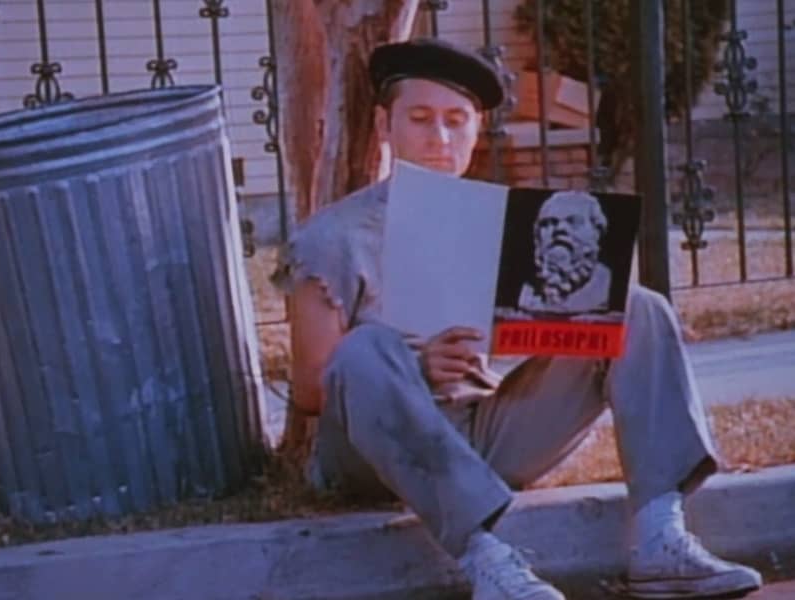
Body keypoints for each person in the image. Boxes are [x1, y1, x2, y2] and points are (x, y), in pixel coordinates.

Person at [271, 37, 762, 600]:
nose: (440, 138)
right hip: (373, 454)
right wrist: (418, 365)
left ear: (477, 131)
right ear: (386, 126)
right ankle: (487, 562)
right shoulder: (333, 236)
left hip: (486, 429)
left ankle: (658, 534)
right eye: (420, 119)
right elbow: (311, 389)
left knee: (636, 307)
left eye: (457, 121)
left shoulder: (504, 224)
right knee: (365, 349)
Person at [516, 190, 613, 317]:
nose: (560, 229)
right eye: (549, 223)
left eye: (574, 222)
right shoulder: (529, 291)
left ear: (596, 232)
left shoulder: (606, 288)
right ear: (537, 236)